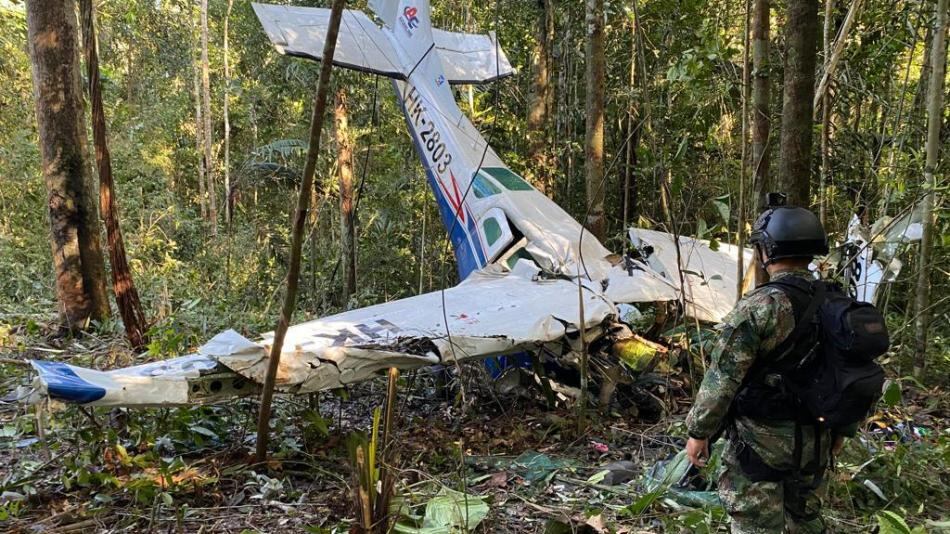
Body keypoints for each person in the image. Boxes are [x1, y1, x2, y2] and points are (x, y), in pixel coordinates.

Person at [683, 201, 844, 533]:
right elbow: (854, 372)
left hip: (759, 446)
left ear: (767, 250)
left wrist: (699, 432)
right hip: (817, 441)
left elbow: (722, 378)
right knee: (806, 522)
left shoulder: (761, 306)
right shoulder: (837, 303)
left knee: (755, 525)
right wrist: (842, 430)